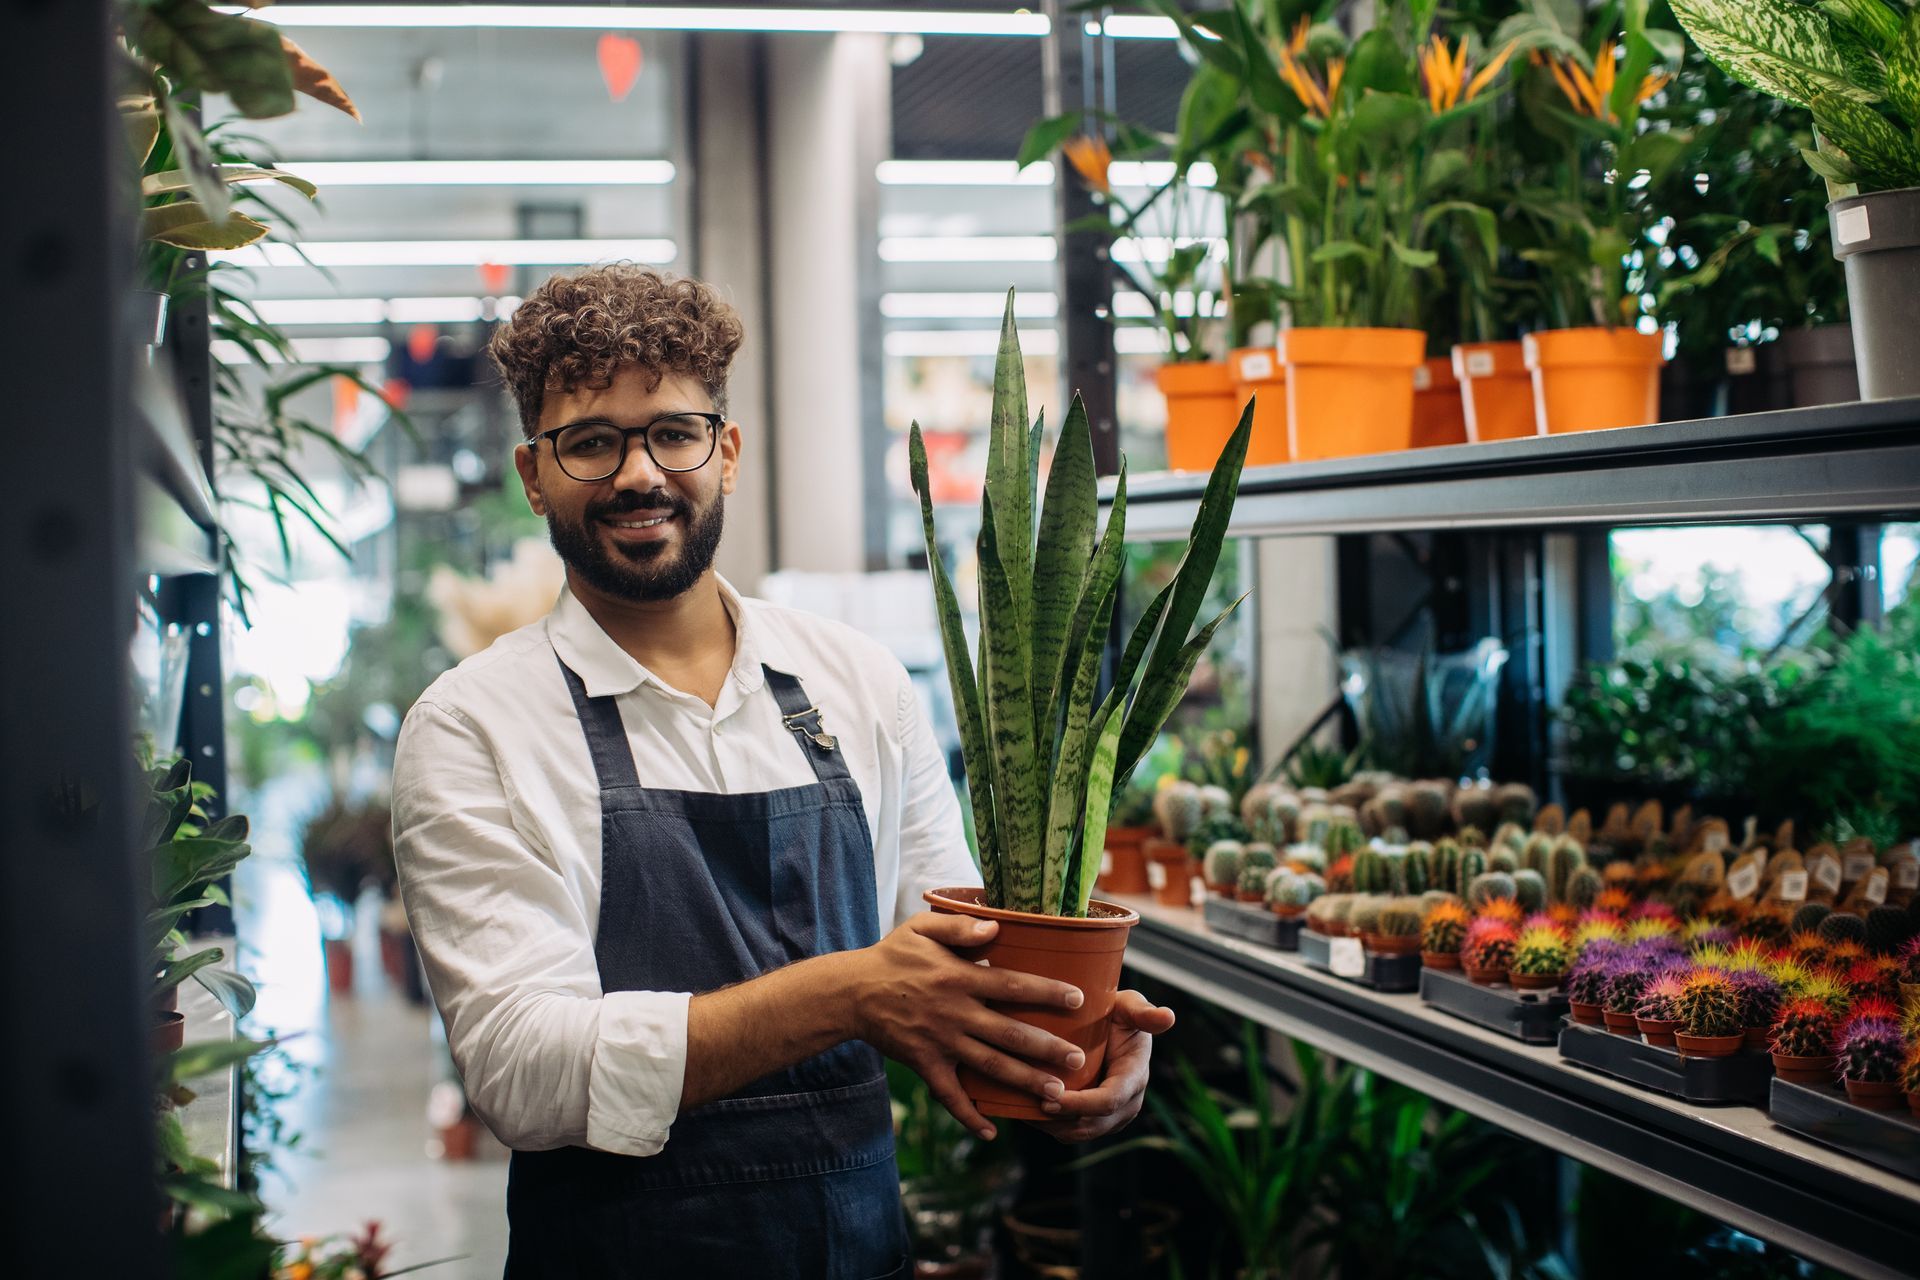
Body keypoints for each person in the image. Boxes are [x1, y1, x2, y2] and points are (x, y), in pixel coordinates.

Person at [390, 264, 1174, 1278]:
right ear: (533, 474)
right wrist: (848, 993)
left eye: (673, 431)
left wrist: (1077, 1046)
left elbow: (961, 959)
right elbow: (524, 1070)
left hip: (856, 1248)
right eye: (591, 441)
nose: (639, 473)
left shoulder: (860, 684)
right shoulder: (472, 727)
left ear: (727, 451)